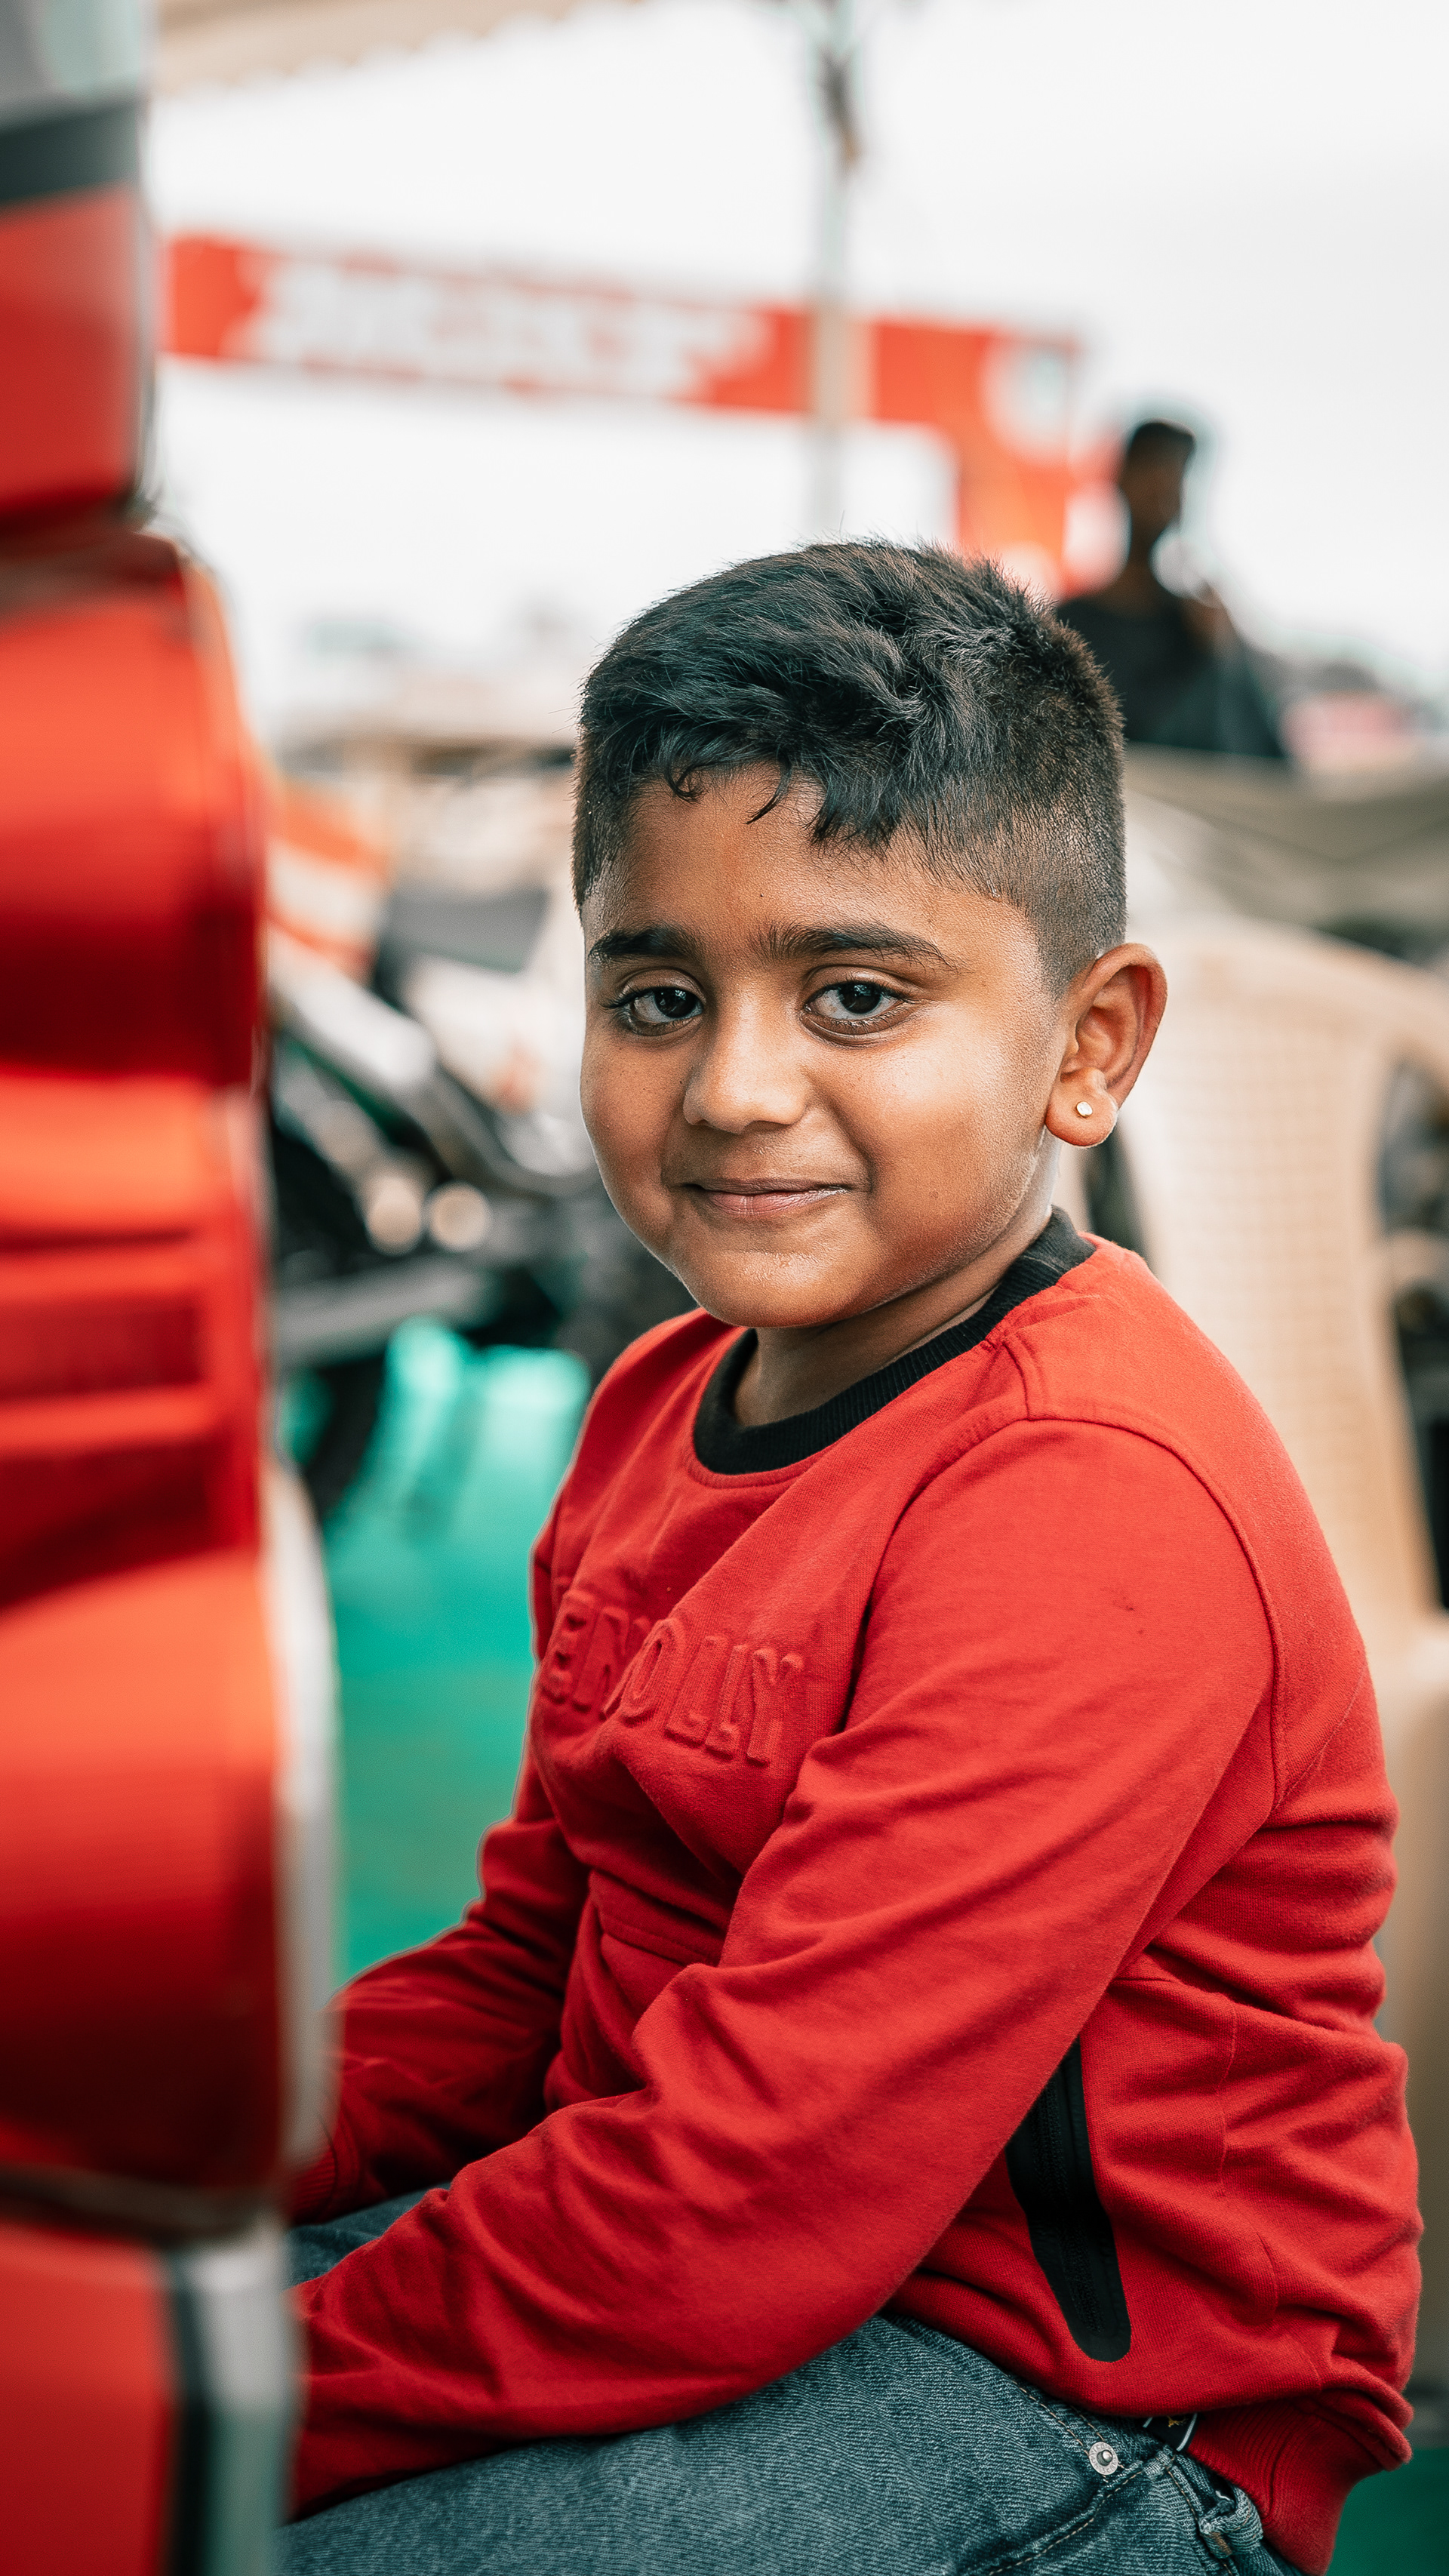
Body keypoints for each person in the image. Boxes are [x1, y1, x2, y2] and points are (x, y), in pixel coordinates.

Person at [279, 546, 1418, 2576]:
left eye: (858, 995)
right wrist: (189, 2153)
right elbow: (532, 1968)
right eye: (656, 994)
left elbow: (748, 2192)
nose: (735, 1086)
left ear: (1087, 1044)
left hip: (1090, 2410)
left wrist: (210, 2405)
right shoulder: (656, 1404)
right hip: (714, 2240)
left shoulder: (1085, 1492)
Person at [1058, 420, 1287, 758]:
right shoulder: (1069, 625)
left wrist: (1224, 656)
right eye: (1153, 470)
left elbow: (1267, 753)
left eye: (1176, 476)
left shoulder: (1202, 631)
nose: (1163, 490)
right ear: (1121, 479)